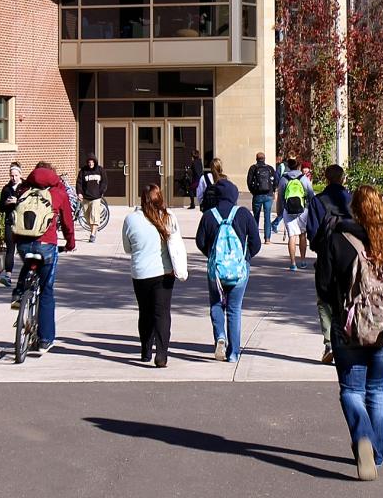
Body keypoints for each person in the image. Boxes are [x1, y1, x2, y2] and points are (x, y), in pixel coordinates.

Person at [319, 184, 383, 481]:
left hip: (349, 327)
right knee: (377, 388)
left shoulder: (337, 240)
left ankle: (362, 437)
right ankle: (377, 452)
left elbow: (323, 285)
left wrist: (337, 310)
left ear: (353, 209)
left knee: (351, 390)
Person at [10, 161, 77, 353]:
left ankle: (19, 293)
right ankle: (45, 340)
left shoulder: (24, 190)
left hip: (23, 243)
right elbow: (67, 222)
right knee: (46, 291)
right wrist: (70, 243)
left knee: (29, 262)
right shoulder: (58, 193)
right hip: (47, 245)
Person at [194, 172, 261, 363]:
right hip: (239, 270)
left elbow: (200, 242)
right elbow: (255, 243)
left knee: (216, 304)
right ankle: (233, 353)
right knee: (234, 309)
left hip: (216, 271)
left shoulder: (209, 215)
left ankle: (220, 337)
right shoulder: (243, 214)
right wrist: (245, 258)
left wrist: (212, 256)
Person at [122, 183, 188, 367]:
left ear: (142, 199)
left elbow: (128, 248)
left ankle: (145, 350)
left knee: (145, 312)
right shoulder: (168, 217)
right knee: (162, 313)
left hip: (141, 273)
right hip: (164, 273)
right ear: (160, 198)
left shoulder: (130, 219)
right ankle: (161, 354)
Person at [306, 164, 352, 364]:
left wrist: (320, 248)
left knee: (324, 299)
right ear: (343, 179)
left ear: (326, 178)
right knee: (349, 297)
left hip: (326, 255)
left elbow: (312, 232)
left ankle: (329, 343)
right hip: (350, 256)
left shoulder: (318, 201)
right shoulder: (351, 200)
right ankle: (349, 338)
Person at [277, 157, 315, 270]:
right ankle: (302, 260)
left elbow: (280, 197)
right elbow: (311, 194)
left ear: (288, 166)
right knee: (302, 235)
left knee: (292, 236)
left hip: (288, 211)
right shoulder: (304, 178)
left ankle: (293, 263)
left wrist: (280, 211)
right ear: (299, 166)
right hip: (303, 210)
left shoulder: (284, 179)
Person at [0, 162, 23, 287]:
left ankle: (27, 275)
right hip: (10, 221)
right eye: (11, 176)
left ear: (20, 175)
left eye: (16, 175)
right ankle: (8, 275)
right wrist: (7, 204)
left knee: (24, 249)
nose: (13, 178)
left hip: (23, 223)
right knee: (10, 249)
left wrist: (18, 201)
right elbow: (1, 208)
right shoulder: (6, 189)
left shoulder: (25, 187)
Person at [247, 151, 277, 243]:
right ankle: (267, 238)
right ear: (264, 159)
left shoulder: (253, 168)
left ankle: (255, 237)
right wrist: (273, 191)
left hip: (257, 195)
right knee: (267, 217)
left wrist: (253, 192)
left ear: (256, 159)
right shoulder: (270, 168)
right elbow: (275, 181)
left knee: (256, 216)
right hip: (268, 195)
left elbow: (249, 181)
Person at [76, 154, 106, 243]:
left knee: (94, 216)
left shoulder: (100, 170)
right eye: (89, 162)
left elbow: (104, 182)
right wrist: (79, 193)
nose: (90, 164)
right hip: (85, 197)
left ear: (95, 162)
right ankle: (93, 229)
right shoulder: (83, 171)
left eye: (92, 162)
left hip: (96, 198)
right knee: (87, 216)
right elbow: (79, 183)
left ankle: (92, 234)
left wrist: (100, 192)